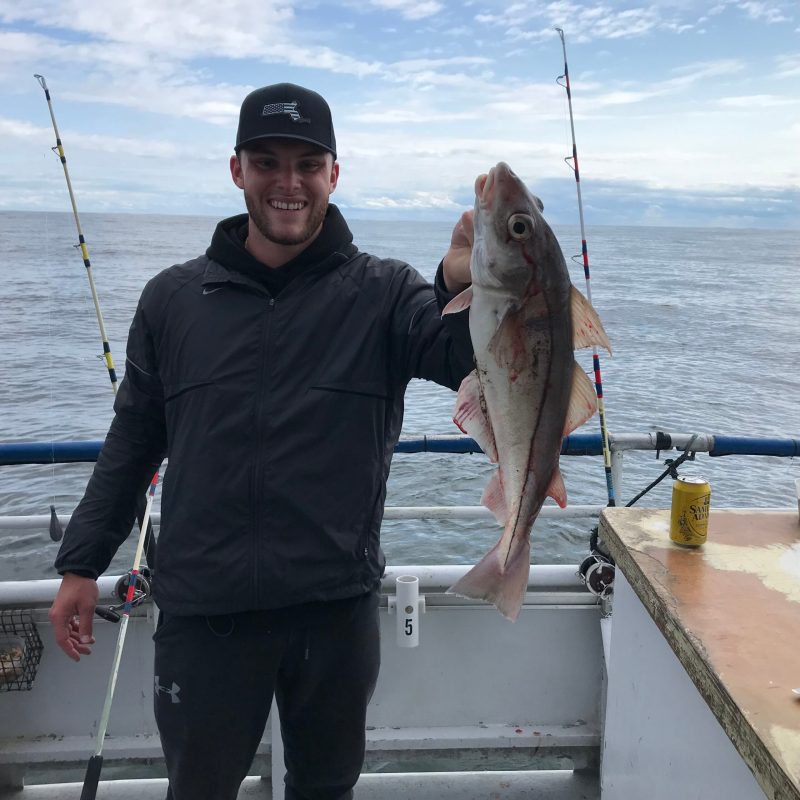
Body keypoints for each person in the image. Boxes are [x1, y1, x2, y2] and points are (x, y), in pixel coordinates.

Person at [49, 82, 475, 800]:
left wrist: (469, 286)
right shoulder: (172, 300)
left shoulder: (387, 294)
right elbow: (133, 442)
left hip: (333, 613)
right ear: (236, 169)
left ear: (333, 175)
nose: (289, 182)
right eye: (267, 161)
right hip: (203, 612)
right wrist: (80, 564)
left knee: (325, 790)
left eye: (308, 163)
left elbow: (464, 362)